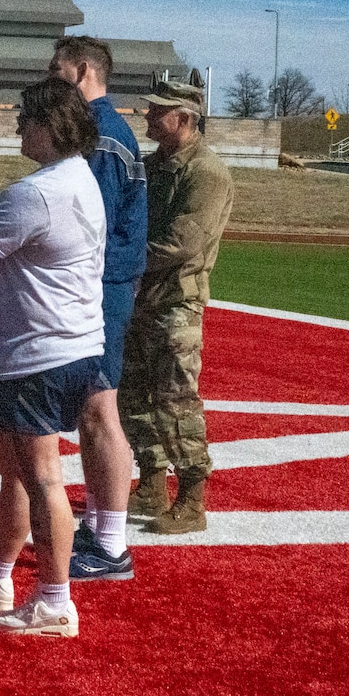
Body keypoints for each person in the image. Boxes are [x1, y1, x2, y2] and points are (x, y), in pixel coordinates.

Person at [0, 78, 106, 637]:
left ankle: (55, 599)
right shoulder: (81, 177)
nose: (18, 130)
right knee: (15, 469)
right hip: (66, 343)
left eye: (25, 120)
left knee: (41, 476)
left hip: (38, 350)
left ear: (49, 126)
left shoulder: (35, 192)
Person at [46, 36, 149, 581]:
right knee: (94, 409)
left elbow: (89, 220)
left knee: (99, 408)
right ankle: (100, 528)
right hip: (103, 282)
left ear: (83, 70)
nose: (48, 78)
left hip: (101, 285)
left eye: (55, 69)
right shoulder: (103, 130)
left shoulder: (102, 135)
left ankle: (110, 544)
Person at [118, 80, 233, 534]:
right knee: (133, 395)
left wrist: (121, 259)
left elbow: (182, 242)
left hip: (176, 303)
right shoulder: (154, 166)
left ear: (183, 118)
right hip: (143, 298)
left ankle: (191, 498)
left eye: (157, 111)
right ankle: (151, 484)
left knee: (176, 401)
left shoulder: (206, 173)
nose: (147, 117)